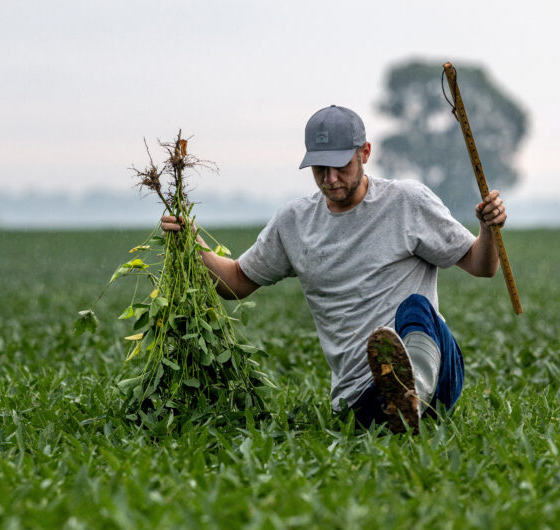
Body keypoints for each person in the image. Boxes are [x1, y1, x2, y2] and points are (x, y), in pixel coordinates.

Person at [161, 105, 507, 433]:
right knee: (372, 404)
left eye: (341, 166)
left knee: (415, 308)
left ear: (365, 153)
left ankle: (412, 395)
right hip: (361, 393)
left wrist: (489, 229)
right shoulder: (294, 223)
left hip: (440, 371)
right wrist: (193, 245)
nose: (331, 178)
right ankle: (397, 402)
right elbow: (236, 282)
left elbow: (481, 265)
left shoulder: (407, 202)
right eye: (319, 169)